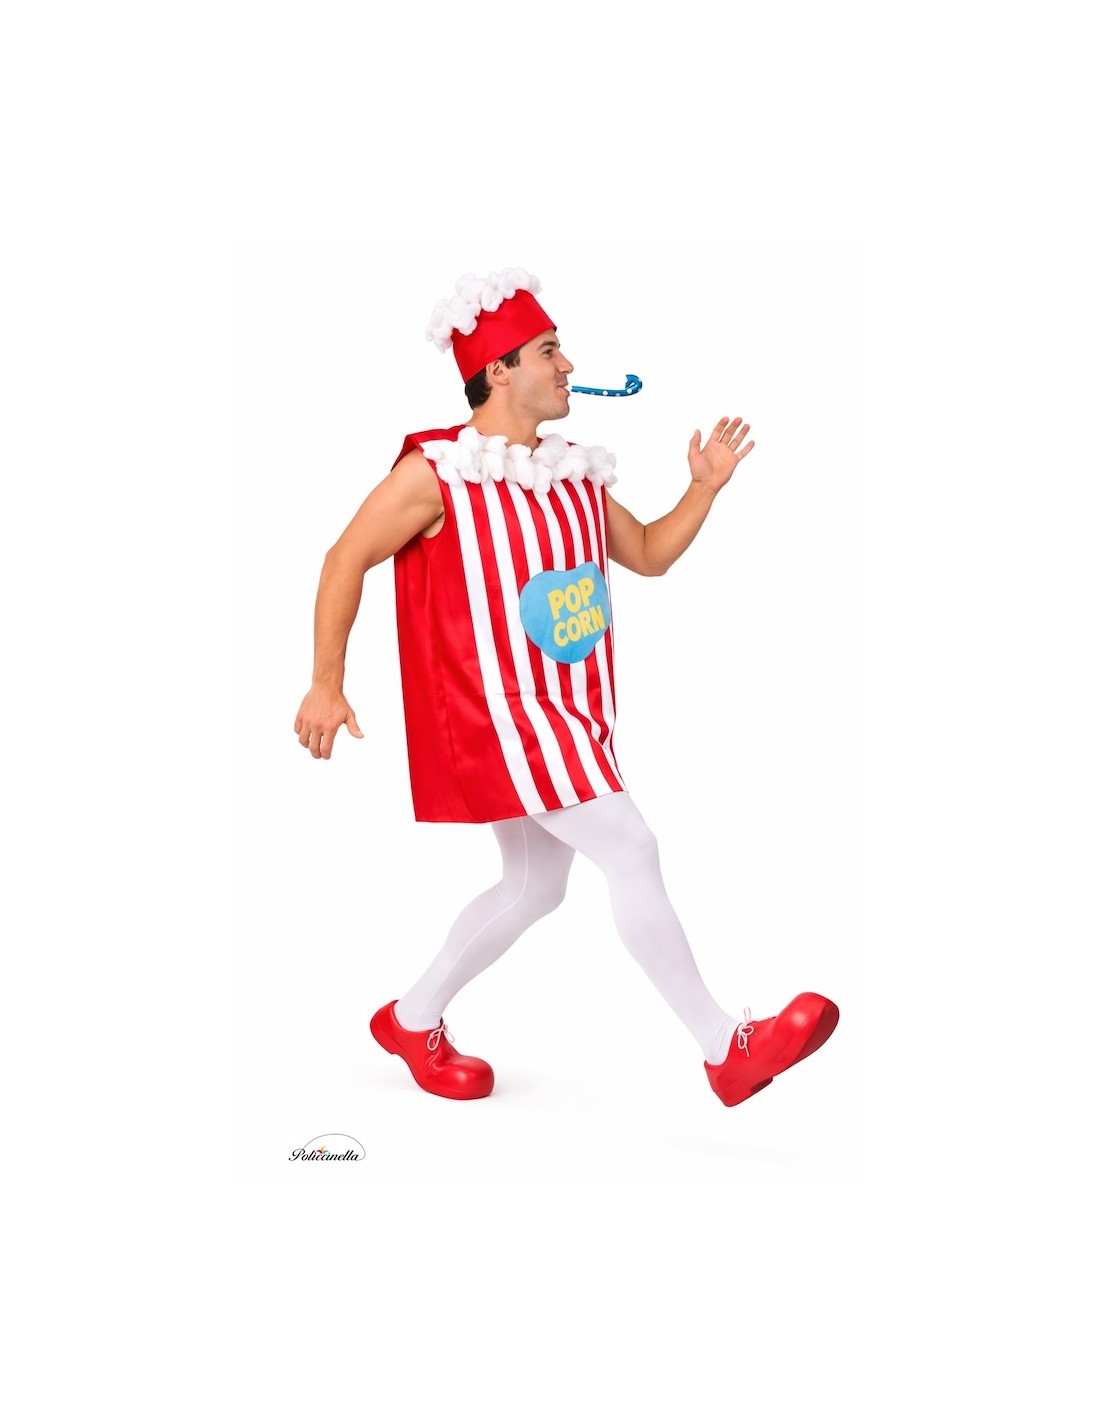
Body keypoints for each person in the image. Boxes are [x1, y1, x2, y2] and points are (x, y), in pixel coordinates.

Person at [293, 266, 838, 1108]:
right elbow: (344, 559)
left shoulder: (573, 473)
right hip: (501, 719)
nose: (568, 364)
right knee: (630, 845)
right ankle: (722, 1047)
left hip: (572, 714)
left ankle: (410, 1019)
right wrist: (326, 683)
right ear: (499, 370)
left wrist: (702, 489)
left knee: (534, 887)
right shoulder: (437, 472)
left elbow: (647, 553)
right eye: (548, 350)